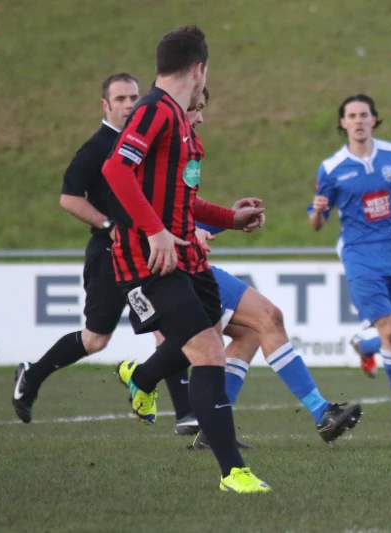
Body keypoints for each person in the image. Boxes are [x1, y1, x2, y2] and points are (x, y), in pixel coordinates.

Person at [102, 26, 269, 493]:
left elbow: (182, 199)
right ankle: (233, 472)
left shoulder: (177, 118)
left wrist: (231, 219)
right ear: (198, 70)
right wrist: (155, 232)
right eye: (205, 74)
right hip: (149, 260)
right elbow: (116, 168)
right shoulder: (155, 109)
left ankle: (142, 375)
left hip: (187, 257)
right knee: (208, 350)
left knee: (209, 331)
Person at [10, 73, 198, 435]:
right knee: (96, 339)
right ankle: (31, 376)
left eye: (134, 98)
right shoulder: (98, 147)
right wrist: (108, 225)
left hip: (146, 249)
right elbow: (68, 197)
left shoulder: (141, 141)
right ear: (105, 105)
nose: (130, 105)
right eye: (122, 99)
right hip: (109, 253)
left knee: (168, 328)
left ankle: (186, 415)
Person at [175, 89, 362, 449]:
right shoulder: (167, 149)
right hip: (176, 265)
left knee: (247, 334)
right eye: (194, 109)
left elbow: (184, 210)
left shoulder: (188, 146)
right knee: (264, 320)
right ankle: (320, 412)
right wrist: (185, 232)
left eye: (201, 109)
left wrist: (226, 219)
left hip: (188, 260)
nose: (200, 117)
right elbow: (159, 209)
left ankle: (212, 427)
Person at [308, 94, 391, 410]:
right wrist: (318, 211)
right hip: (360, 256)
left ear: (374, 119)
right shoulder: (331, 168)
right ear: (342, 123)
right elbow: (317, 221)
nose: (359, 120)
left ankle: (364, 344)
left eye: (364, 114)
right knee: (390, 334)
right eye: (352, 116)